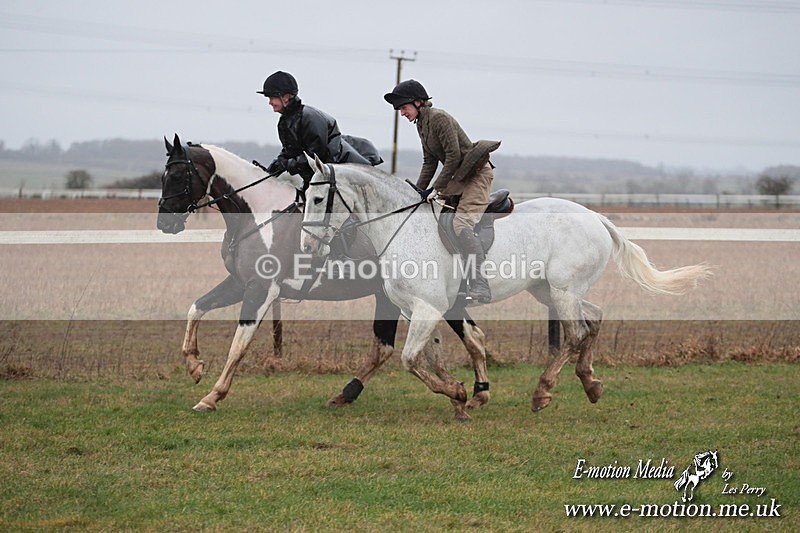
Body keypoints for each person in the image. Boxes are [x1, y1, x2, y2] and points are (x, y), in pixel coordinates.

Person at [384, 79, 499, 303]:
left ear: (418, 103)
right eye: (399, 110)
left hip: (476, 175)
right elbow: (429, 162)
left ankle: (480, 284)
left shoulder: (439, 118)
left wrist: (435, 188)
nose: (402, 113)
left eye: (403, 108)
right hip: (458, 176)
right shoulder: (422, 124)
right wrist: (417, 193)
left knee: (460, 224)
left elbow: (454, 156)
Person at [257, 70, 382, 187]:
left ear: (285, 97)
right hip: (321, 177)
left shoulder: (309, 117)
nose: (269, 102)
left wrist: (287, 164)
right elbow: (289, 151)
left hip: (343, 175)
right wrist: (271, 170)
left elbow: (316, 156)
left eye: (272, 97)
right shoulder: (284, 122)